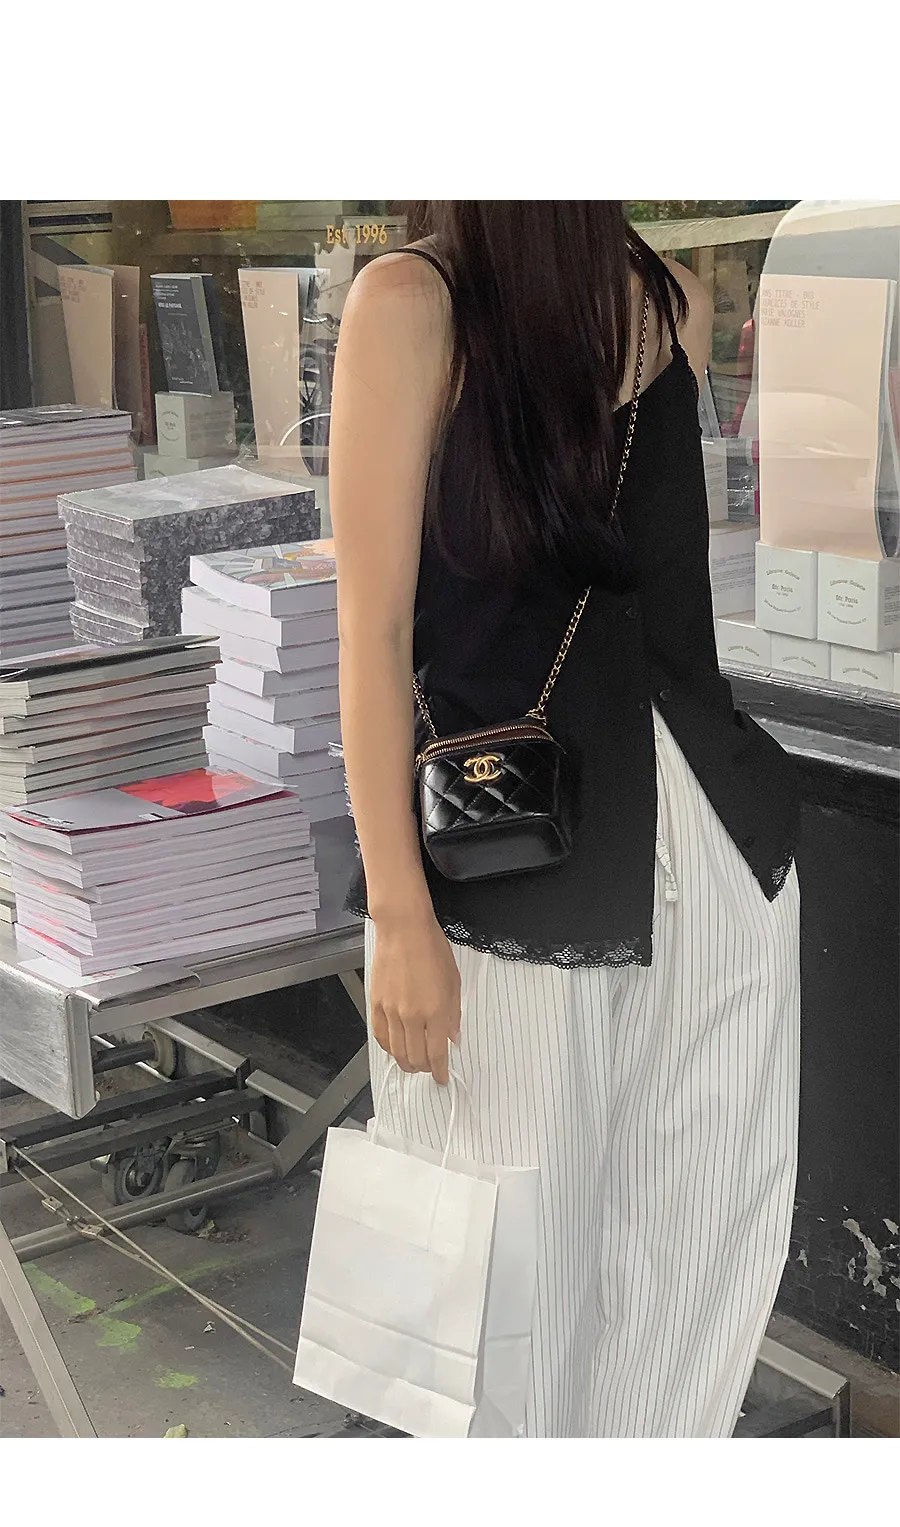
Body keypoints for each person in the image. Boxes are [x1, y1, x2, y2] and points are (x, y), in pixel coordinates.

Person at [330, 201, 801, 1439]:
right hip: (510, 873)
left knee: (694, 1258)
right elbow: (371, 636)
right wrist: (398, 913)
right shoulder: (411, 307)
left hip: (713, 857)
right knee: (495, 1286)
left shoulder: (670, 302)